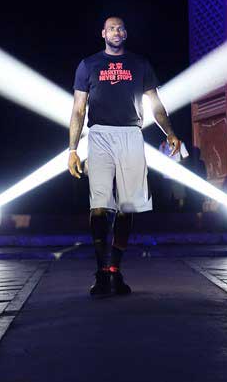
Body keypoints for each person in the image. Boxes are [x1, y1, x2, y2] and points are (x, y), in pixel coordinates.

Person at [68, 16, 180, 298]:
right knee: (100, 205)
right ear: (103, 33)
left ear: (126, 34)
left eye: (120, 28)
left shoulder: (140, 64)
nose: (116, 32)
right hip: (100, 135)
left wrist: (170, 132)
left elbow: (156, 105)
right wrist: (72, 150)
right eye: (111, 28)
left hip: (131, 133)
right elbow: (79, 110)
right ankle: (101, 273)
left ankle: (115, 271)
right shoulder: (88, 65)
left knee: (128, 206)